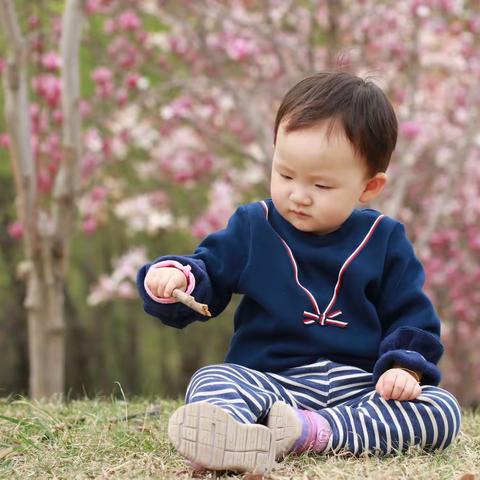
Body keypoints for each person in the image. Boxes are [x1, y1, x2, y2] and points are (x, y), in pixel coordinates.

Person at [136, 72, 461, 474]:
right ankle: (229, 436)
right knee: (213, 379)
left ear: (369, 187)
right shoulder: (254, 226)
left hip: (357, 389)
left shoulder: (385, 240)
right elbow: (209, 271)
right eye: (285, 175)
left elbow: (412, 316)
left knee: (441, 409)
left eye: (322, 186)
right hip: (269, 381)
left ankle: (312, 432)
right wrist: (178, 279)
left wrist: (403, 368)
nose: (298, 195)